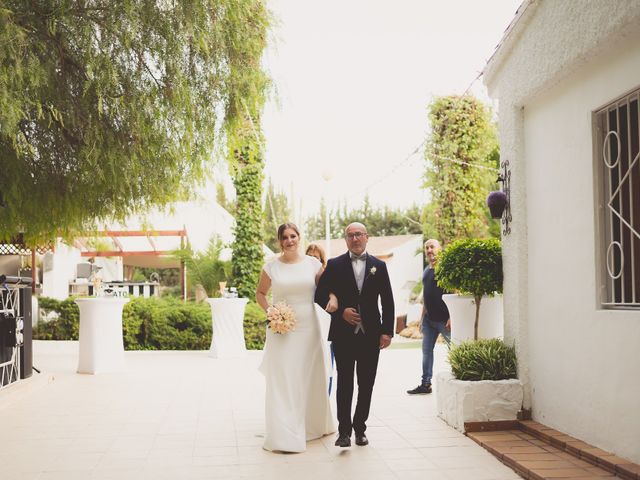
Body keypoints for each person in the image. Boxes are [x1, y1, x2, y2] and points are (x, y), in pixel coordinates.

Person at [256, 223, 336, 453]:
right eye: (285, 237)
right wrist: (270, 311)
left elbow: (327, 287)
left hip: (309, 328)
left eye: (293, 236)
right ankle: (284, 431)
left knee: (309, 375)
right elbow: (260, 293)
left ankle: (313, 424)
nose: (290, 240)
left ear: (299, 237)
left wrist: (332, 296)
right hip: (282, 330)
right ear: (279, 241)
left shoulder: (312, 264)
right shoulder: (271, 267)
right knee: (284, 378)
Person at [315, 222, 394, 448]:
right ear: (346, 240)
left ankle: (360, 429)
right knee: (345, 384)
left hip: (371, 335)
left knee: (366, 384)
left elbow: (387, 301)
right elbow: (319, 295)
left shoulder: (379, 266)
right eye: (350, 235)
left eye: (359, 234)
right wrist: (340, 312)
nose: (355, 238)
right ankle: (343, 432)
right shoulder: (334, 264)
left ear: (367, 237)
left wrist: (387, 332)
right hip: (343, 335)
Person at [407, 239, 451, 395]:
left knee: (454, 350)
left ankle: (460, 377)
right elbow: (426, 296)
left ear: (439, 249)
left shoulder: (446, 269)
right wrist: (421, 318)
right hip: (429, 320)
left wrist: (452, 316)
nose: (429, 250)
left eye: (432, 247)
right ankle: (425, 384)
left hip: (444, 321)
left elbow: (455, 292)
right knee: (426, 352)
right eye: (427, 247)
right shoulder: (426, 270)